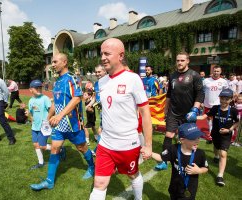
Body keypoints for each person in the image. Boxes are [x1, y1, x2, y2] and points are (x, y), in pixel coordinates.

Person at [89, 38, 153, 200]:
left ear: (121, 55)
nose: (103, 57)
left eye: (107, 53)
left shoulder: (133, 79)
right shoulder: (102, 81)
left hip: (127, 144)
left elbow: (145, 113)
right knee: (99, 184)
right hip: (105, 143)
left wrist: (148, 145)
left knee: (133, 175)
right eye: (101, 53)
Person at [30, 53, 94, 191]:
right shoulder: (57, 81)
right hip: (59, 125)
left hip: (73, 124)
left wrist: (59, 116)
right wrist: (47, 118)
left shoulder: (72, 78)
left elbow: (77, 98)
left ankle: (91, 166)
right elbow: (55, 103)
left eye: (55, 62)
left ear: (64, 62)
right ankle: (49, 181)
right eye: (52, 62)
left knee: (82, 148)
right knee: (54, 148)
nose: (52, 64)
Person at [155, 52, 204, 171]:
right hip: (173, 112)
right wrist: (165, 110)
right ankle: (164, 161)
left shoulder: (194, 75)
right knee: (169, 135)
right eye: (178, 60)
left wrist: (195, 109)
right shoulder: (172, 76)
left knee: (188, 138)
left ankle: (190, 160)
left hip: (188, 113)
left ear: (188, 61)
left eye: (182, 60)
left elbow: (200, 94)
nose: (179, 63)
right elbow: (169, 94)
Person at [152, 123, 208, 199]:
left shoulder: (200, 153)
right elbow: (161, 157)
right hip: (174, 188)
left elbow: (206, 168)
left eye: (198, 137)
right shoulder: (173, 149)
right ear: (182, 140)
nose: (197, 140)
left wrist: (199, 170)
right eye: (193, 138)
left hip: (190, 190)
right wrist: (150, 153)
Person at [197, 88, 239, 186]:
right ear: (219, 98)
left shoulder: (233, 110)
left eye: (227, 99)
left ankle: (220, 176)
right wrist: (194, 117)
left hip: (226, 135)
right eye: (222, 98)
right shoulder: (215, 108)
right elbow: (204, 116)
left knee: (223, 154)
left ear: (231, 99)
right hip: (215, 133)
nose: (224, 101)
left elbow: (237, 122)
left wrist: (229, 130)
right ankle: (215, 156)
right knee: (216, 147)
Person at [28, 79, 52, 170]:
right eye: (36, 88)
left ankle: (60, 149)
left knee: (42, 146)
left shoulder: (45, 98)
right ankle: (41, 163)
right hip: (35, 127)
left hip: (44, 126)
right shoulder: (30, 101)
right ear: (31, 90)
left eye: (40, 88)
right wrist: (31, 118)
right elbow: (31, 113)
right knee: (36, 145)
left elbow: (51, 110)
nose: (39, 89)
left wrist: (49, 121)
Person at [202, 66, 228, 142]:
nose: (216, 73)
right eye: (215, 71)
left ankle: (215, 135)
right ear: (212, 72)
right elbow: (201, 92)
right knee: (209, 120)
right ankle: (211, 134)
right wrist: (201, 102)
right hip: (207, 104)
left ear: (220, 72)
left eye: (218, 71)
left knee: (217, 120)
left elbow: (226, 93)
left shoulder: (224, 81)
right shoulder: (206, 80)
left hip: (218, 105)